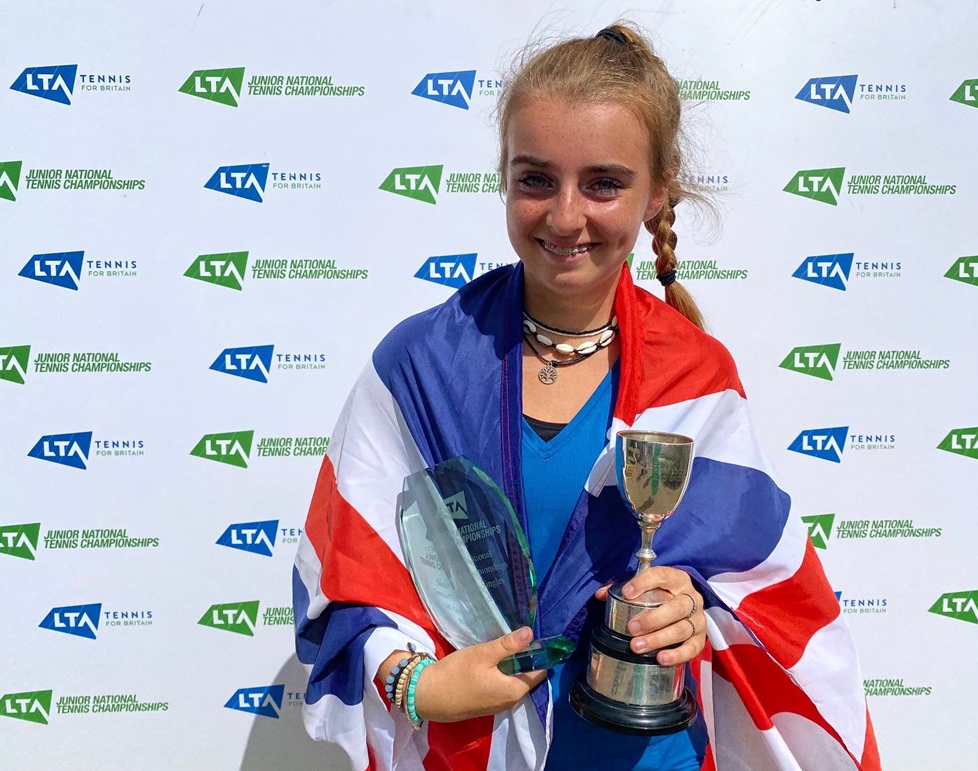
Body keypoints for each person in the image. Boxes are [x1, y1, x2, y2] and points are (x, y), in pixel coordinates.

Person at [294, 23, 880, 771]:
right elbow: (345, 577)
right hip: (472, 749)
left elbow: (768, 600)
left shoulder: (695, 375)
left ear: (657, 190)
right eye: (536, 178)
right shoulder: (417, 365)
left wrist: (692, 615)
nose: (565, 215)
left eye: (603, 183)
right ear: (504, 176)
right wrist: (420, 686)